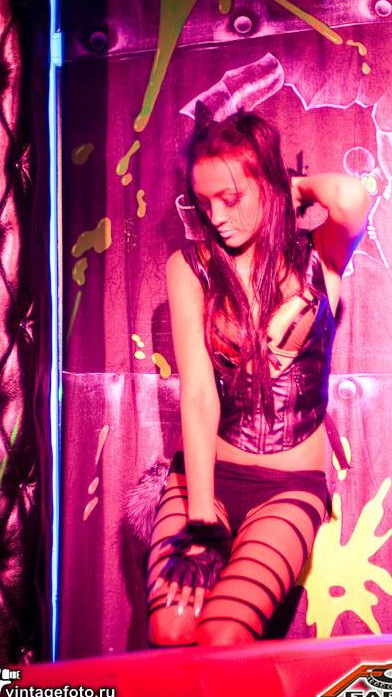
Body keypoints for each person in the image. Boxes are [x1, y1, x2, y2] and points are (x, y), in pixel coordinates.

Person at [146, 106, 370, 647]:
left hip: (289, 489)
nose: (217, 216)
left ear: (268, 186)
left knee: (224, 636)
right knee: (170, 627)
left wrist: (293, 188)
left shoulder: (320, 258)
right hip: (205, 481)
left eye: (231, 198)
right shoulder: (190, 268)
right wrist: (202, 523)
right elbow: (199, 397)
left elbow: (350, 198)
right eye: (205, 202)